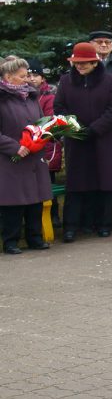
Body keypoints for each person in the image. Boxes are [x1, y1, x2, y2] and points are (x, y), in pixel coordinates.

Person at [54, 42, 112, 242]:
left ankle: (103, 223)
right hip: (76, 139)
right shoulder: (66, 81)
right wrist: (75, 127)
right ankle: (71, 226)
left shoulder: (109, 81)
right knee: (76, 184)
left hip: (103, 138)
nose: (80, 66)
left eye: (84, 63)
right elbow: (59, 107)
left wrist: (95, 128)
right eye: (76, 63)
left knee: (104, 181)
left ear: (94, 62)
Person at [0, 56, 51, 254]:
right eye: (22, 76)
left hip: (33, 156)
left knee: (35, 199)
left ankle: (35, 238)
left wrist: (46, 133)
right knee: (13, 201)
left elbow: (40, 122)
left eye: (28, 75)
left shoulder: (30, 96)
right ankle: (11, 241)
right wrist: (13, 147)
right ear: (8, 77)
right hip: (10, 158)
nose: (27, 79)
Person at [26, 59, 61, 225]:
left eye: (35, 75)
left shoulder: (48, 97)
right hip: (28, 145)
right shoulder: (23, 96)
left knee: (48, 184)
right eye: (28, 75)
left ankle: (53, 215)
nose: (32, 78)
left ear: (42, 78)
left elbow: (49, 121)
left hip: (46, 146)